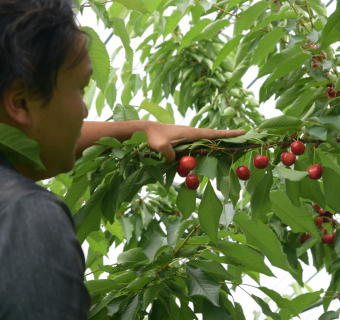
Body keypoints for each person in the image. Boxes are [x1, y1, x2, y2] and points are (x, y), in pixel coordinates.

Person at [0, 0, 245, 319]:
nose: (85, 110)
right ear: (20, 101)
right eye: (80, 88)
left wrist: (142, 128)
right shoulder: (26, 215)